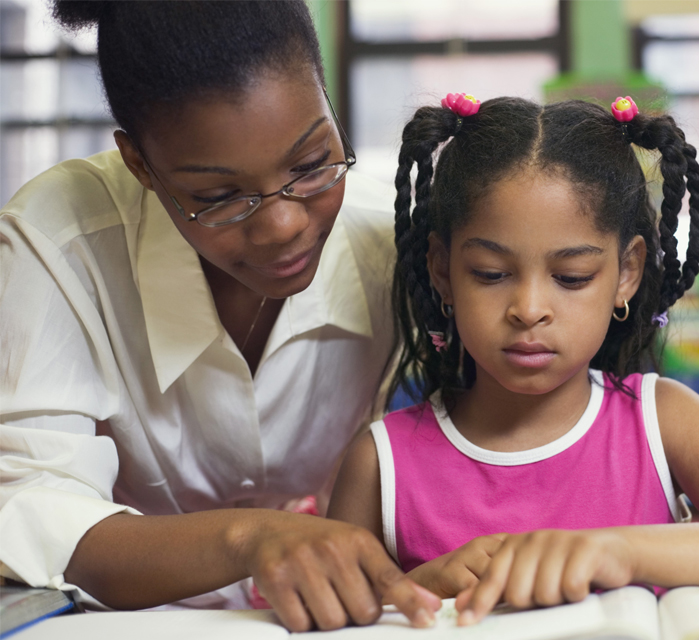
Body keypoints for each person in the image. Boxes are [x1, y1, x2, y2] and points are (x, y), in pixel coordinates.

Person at [327, 94, 699, 626]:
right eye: (491, 274)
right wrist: (420, 588)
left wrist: (620, 551)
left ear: (626, 274)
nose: (529, 309)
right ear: (443, 270)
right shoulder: (380, 463)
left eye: (571, 278)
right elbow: (332, 617)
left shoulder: (664, 422)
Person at [0, 1, 440, 631]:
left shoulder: (387, 244)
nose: (284, 225)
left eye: (312, 164)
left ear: (330, 105)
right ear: (140, 166)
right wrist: (250, 539)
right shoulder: (58, 243)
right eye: (219, 197)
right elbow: (30, 509)